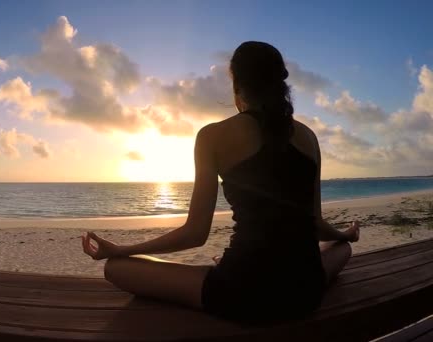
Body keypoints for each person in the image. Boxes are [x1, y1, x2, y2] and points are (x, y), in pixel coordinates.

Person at [81, 41, 360, 321]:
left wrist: (122, 249)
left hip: (241, 291)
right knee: (342, 249)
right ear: (280, 83)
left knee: (115, 268)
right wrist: (346, 235)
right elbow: (315, 225)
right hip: (305, 291)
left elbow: (195, 234)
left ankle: (219, 268)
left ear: (237, 84)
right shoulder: (308, 137)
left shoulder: (212, 136)